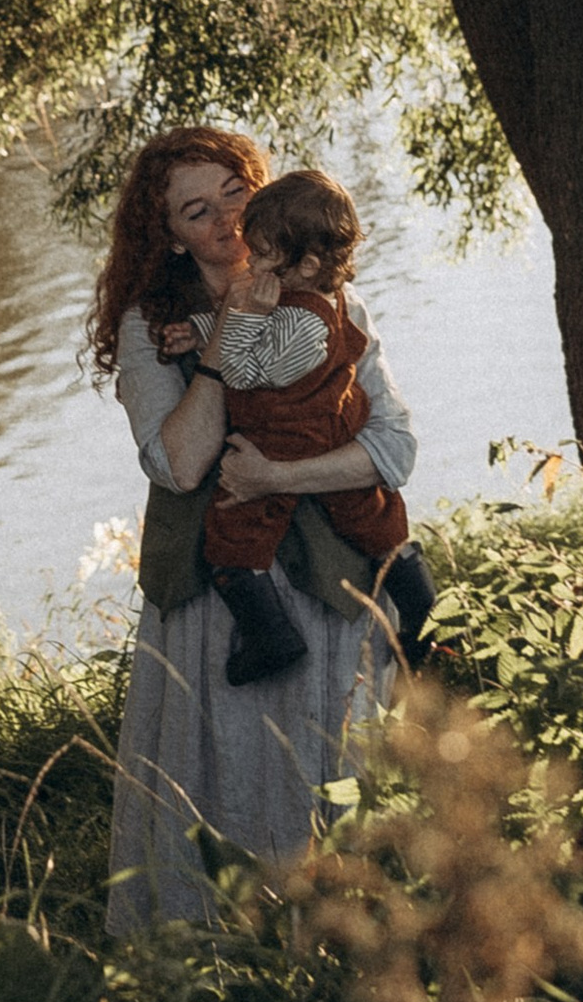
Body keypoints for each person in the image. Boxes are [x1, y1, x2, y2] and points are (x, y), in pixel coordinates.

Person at [93, 127, 424, 934]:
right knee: (235, 775)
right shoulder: (154, 326)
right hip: (221, 598)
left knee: (337, 770)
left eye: (235, 193)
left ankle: (347, 941)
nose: (224, 223)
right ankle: (220, 955)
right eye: (195, 211)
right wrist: (216, 350)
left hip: (328, 579)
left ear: (263, 188)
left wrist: (280, 477)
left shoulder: (336, 301)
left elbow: (394, 450)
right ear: (168, 235)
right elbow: (180, 464)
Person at [194, 166, 416, 688]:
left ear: (308, 263)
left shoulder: (300, 321)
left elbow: (244, 369)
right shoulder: (319, 299)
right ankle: (420, 604)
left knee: (233, 535)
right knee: (373, 521)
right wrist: (201, 329)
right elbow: (262, 341)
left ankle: (271, 635)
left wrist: (237, 316)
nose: (253, 260)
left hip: (290, 438)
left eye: (266, 253)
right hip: (330, 429)